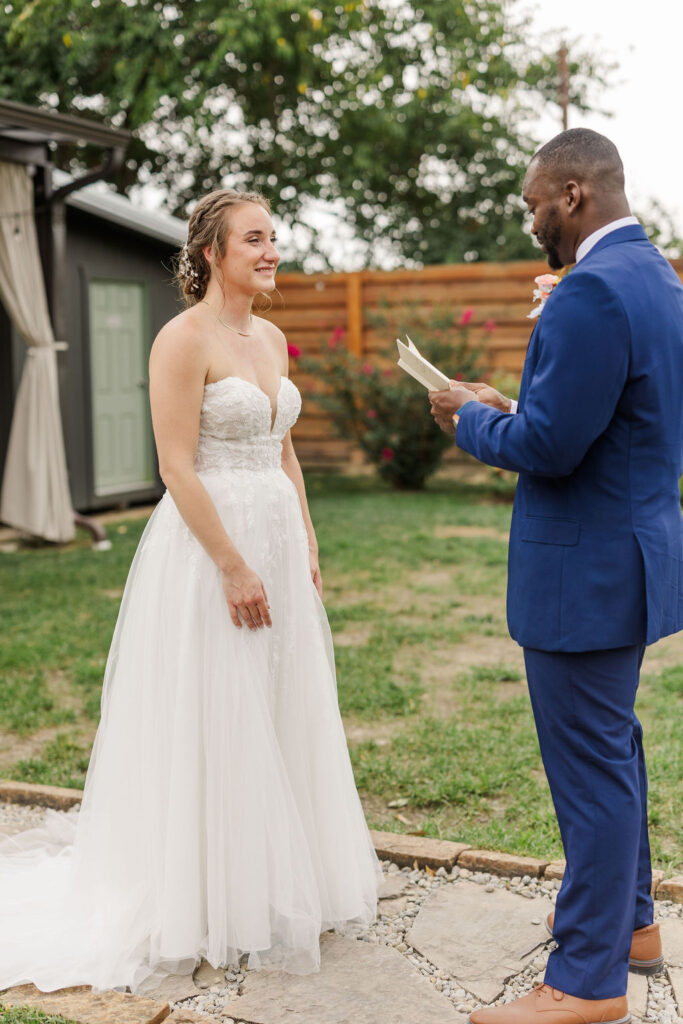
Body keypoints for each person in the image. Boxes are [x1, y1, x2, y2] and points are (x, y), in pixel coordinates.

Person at [0, 188, 381, 995]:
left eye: (274, 236)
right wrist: (234, 565)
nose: (270, 250)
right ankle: (204, 896)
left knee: (276, 703)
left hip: (276, 538)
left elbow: (283, 449)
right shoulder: (180, 339)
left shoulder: (272, 336)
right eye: (254, 238)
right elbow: (175, 465)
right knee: (218, 707)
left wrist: (305, 537)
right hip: (212, 548)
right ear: (211, 251)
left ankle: (274, 878)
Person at [430, 129, 683, 1024]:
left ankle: (584, 981)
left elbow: (550, 447)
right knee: (611, 748)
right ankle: (635, 926)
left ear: (572, 195)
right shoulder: (656, 278)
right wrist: (513, 404)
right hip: (631, 555)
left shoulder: (590, 294)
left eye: (535, 200)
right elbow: (601, 416)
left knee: (590, 769)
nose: (531, 217)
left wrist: (466, 418)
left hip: (583, 572)